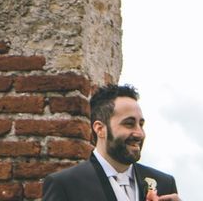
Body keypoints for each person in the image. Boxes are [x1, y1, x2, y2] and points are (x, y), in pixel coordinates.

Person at [42, 84, 181, 201]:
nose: (139, 133)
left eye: (141, 124)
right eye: (129, 124)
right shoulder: (65, 185)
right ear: (100, 129)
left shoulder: (164, 184)